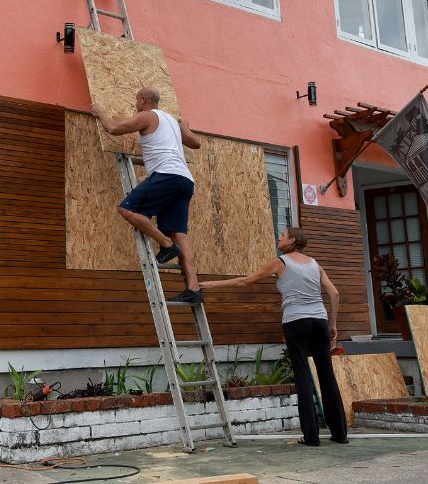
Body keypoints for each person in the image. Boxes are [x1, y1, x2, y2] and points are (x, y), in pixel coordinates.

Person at [198, 226, 349, 445]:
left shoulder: (281, 262)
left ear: (292, 241)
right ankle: (340, 435)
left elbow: (246, 281)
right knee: (327, 376)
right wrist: (332, 324)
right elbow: (334, 293)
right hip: (320, 322)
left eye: (283, 236)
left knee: (303, 376)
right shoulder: (315, 264)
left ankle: (312, 437)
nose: (279, 238)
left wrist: (213, 284)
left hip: (296, 322)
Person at [92, 87, 204, 303]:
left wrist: (100, 112)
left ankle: (166, 244)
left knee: (127, 209)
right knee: (180, 234)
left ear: (143, 100)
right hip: (185, 180)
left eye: (136, 100)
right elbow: (196, 143)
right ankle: (193, 288)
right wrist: (184, 128)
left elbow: (113, 129)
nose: (136, 104)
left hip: (168, 174)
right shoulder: (171, 121)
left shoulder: (147, 116)